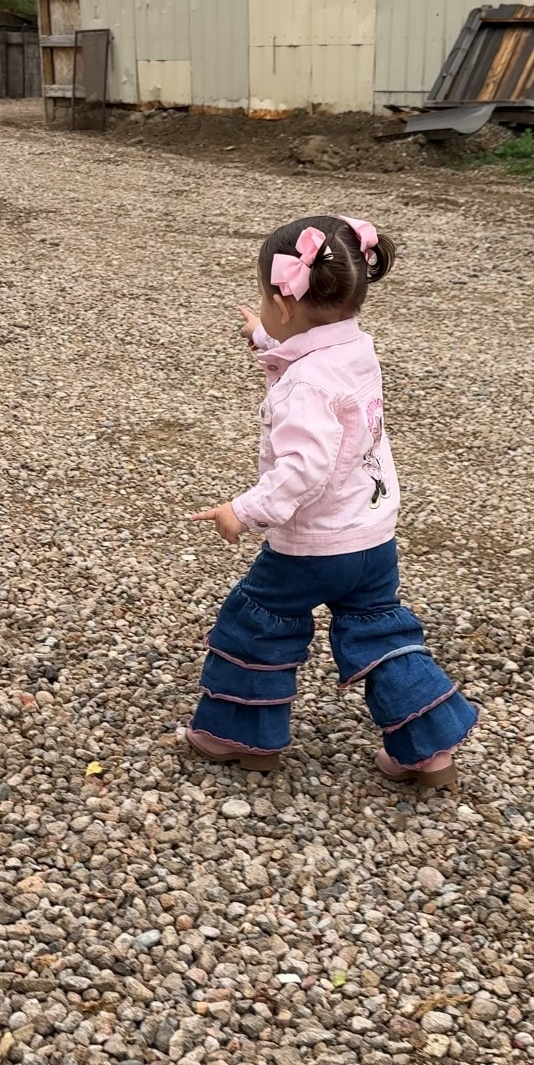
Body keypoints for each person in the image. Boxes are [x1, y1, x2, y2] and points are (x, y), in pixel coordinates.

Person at [186, 214, 479, 786]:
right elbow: (310, 353)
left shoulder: (304, 385)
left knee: (258, 623)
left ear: (286, 302)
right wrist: (265, 338)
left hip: (312, 546)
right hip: (371, 535)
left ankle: (239, 735)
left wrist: (242, 511)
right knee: (379, 630)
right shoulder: (355, 348)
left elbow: (304, 469)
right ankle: (426, 748)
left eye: (266, 303)